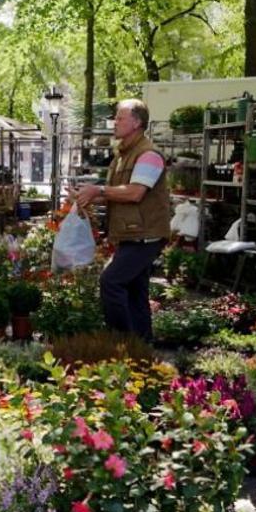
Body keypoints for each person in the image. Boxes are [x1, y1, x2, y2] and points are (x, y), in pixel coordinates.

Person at [76, 98, 170, 341]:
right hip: (131, 234)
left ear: (137, 123)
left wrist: (98, 191)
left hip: (146, 235)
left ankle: (122, 342)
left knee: (111, 282)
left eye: (120, 118)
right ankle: (142, 346)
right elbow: (117, 196)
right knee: (136, 291)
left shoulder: (148, 155)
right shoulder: (122, 155)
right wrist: (85, 198)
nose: (114, 122)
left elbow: (136, 192)